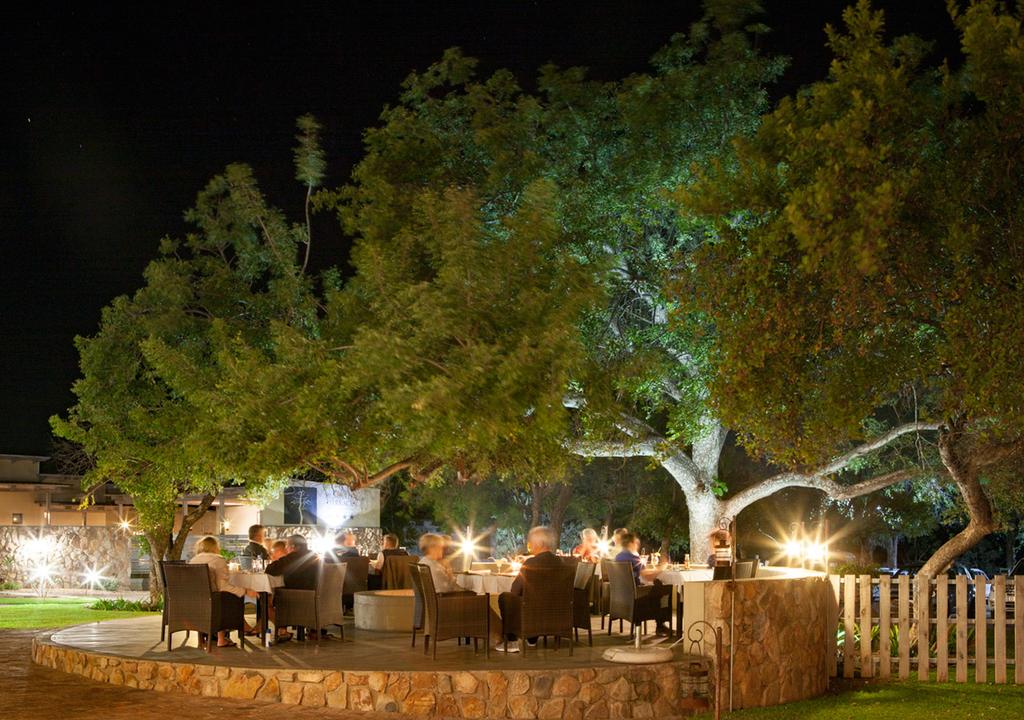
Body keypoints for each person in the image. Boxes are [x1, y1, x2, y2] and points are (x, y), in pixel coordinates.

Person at [497, 526, 565, 652]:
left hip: (531, 612)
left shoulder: (530, 564)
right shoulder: (561, 562)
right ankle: (532, 639)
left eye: (531, 543)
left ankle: (512, 641)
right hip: (556, 611)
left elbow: (515, 590)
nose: (530, 546)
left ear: (540, 544)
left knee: (506, 598)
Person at [188, 536, 256, 647]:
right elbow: (223, 587)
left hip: (195, 601)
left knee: (223, 597)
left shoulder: (193, 560)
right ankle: (221, 639)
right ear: (215, 547)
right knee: (230, 597)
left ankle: (202, 639)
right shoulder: (218, 560)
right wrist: (245, 591)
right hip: (214, 601)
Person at [614, 531, 672, 636]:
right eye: (636, 543)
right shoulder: (631, 556)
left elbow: (643, 573)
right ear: (631, 543)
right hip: (635, 598)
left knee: (658, 586)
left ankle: (660, 625)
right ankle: (660, 625)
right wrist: (662, 568)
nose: (637, 546)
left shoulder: (619, 556)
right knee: (667, 589)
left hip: (622, 598)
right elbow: (647, 577)